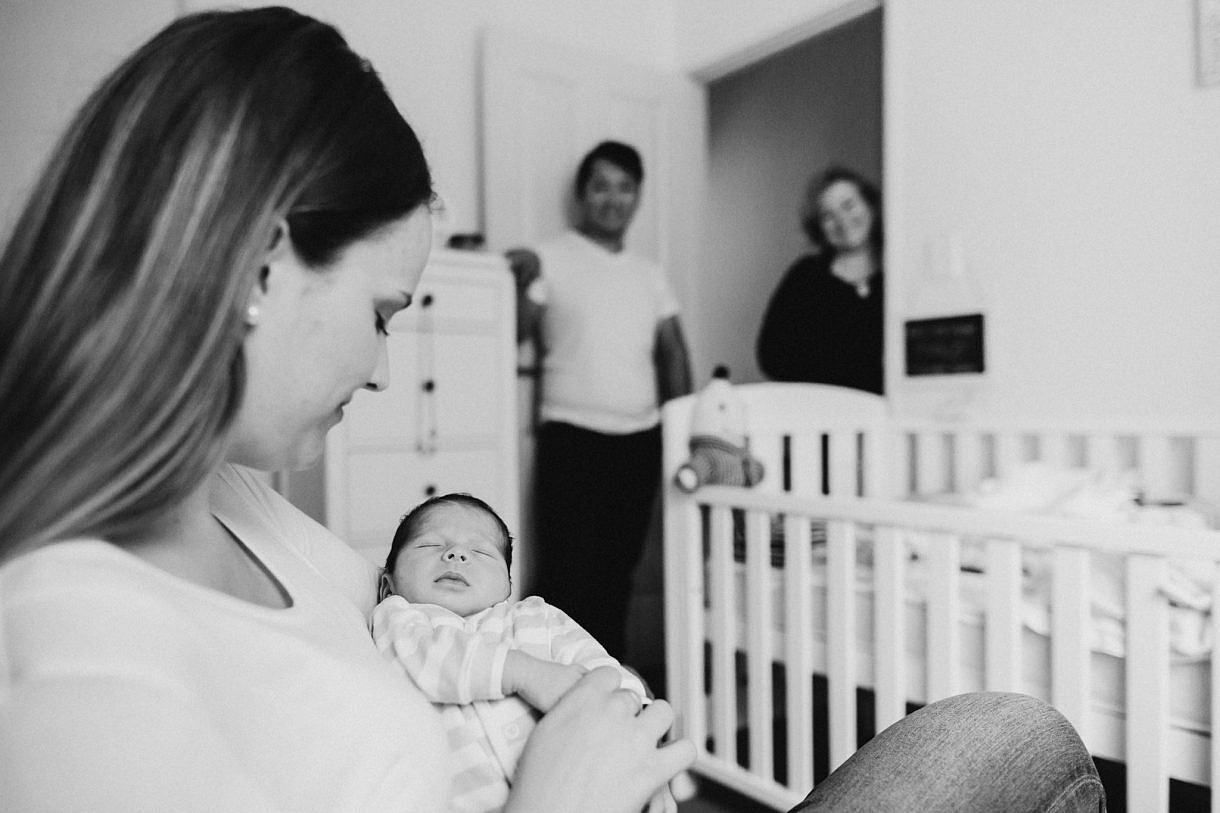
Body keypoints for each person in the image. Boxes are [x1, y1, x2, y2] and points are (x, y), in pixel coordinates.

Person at [0, 7, 1104, 812]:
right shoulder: (77, 657)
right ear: (258, 265)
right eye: (385, 311)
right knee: (1019, 743)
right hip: (571, 508)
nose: (385, 366)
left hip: (628, 477)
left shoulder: (243, 507)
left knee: (1003, 727)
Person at [506, 140, 693, 662]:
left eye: (625, 187)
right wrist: (512, 280)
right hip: (571, 434)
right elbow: (514, 332)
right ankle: (551, 684)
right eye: (601, 186)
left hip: (640, 439)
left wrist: (685, 433)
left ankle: (610, 679)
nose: (613, 198)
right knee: (566, 570)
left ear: (637, 197)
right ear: (583, 194)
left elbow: (674, 352)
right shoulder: (550, 258)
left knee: (619, 570)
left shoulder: (649, 273)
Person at [373, 492, 673, 812]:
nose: (457, 554)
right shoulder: (402, 619)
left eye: (480, 551)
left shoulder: (535, 618)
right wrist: (524, 672)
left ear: (506, 586)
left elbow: (604, 673)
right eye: (431, 545)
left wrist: (644, 756)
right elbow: (428, 662)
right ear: (388, 585)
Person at [756, 165, 885, 395]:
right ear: (819, 227)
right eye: (828, 215)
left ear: (870, 205)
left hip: (886, 419)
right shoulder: (805, 277)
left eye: (848, 205)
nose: (842, 220)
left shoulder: (899, 274)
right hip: (820, 417)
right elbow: (772, 356)